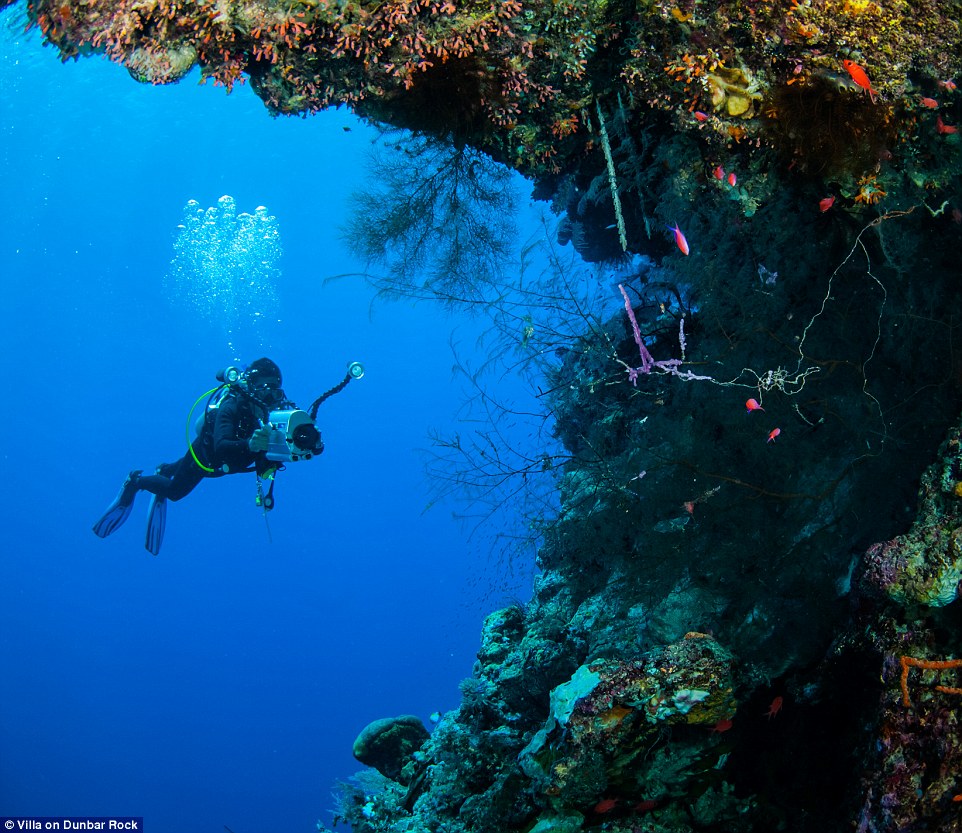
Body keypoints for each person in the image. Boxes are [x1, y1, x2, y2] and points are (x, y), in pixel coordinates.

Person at [93, 357, 308, 555]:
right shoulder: (232, 406)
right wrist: (250, 444)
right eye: (264, 391)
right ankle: (135, 482)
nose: (269, 400)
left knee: (178, 467)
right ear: (251, 389)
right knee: (175, 492)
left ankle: (164, 470)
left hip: (226, 465)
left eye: (275, 393)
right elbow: (222, 446)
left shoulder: (274, 416)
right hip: (206, 457)